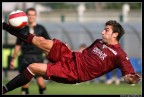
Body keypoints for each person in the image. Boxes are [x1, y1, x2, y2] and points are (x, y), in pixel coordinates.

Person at [2, 20, 141, 94]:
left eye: (107, 30)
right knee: (40, 41)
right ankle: (4, 26)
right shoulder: (99, 42)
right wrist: (71, 50)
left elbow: (128, 77)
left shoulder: (120, 55)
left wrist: (131, 79)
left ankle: (4, 90)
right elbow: (85, 54)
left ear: (115, 35)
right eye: (104, 28)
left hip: (74, 72)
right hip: (71, 56)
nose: (102, 31)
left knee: (32, 67)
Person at [9, 8, 51, 94]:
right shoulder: (22, 29)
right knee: (24, 83)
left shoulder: (41, 28)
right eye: (29, 15)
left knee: (41, 83)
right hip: (25, 58)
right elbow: (18, 45)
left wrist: (49, 55)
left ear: (35, 16)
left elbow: (48, 42)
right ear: (26, 16)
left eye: (33, 15)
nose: (31, 16)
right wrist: (13, 59)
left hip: (38, 57)